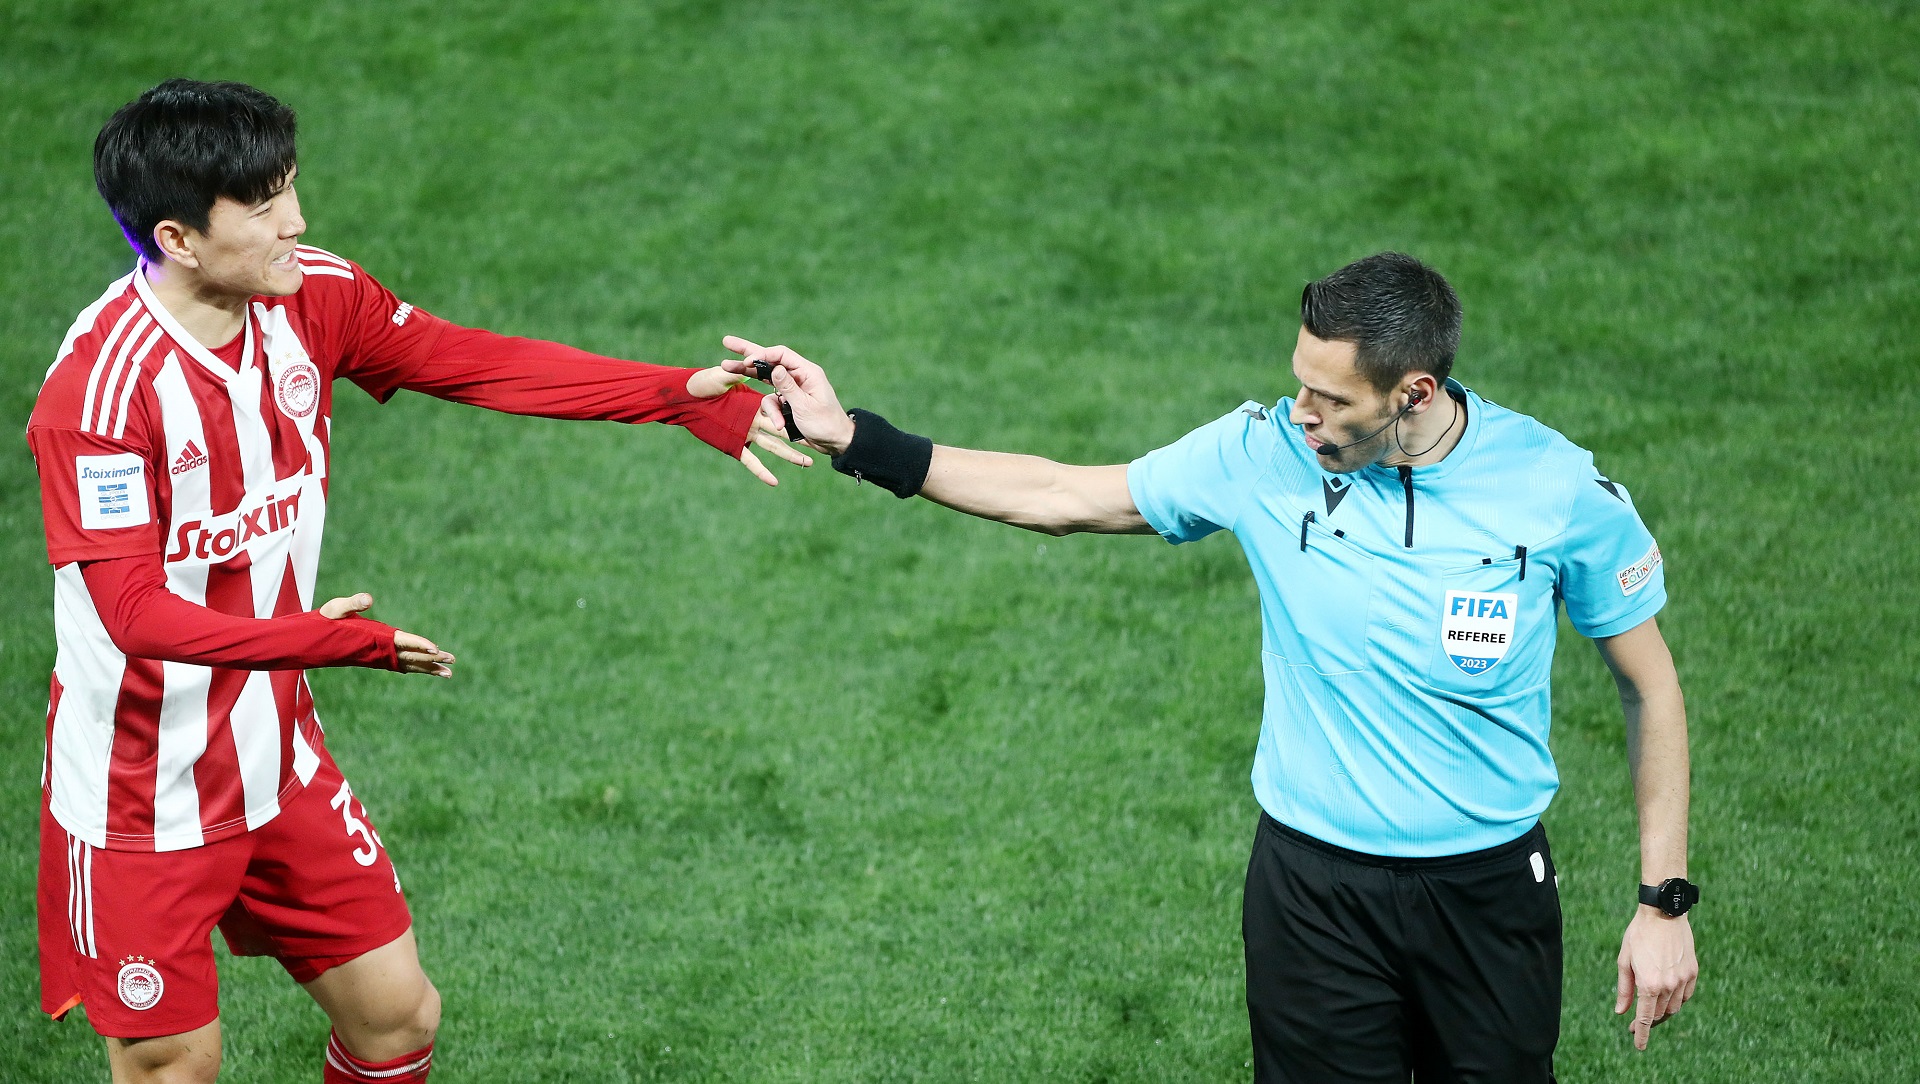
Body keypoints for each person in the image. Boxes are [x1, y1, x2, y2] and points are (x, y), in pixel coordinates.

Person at [726, 251, 1699, 1081]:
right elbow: (1061, 495)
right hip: (1313, 894)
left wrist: (1663, 901)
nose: (1302, 412)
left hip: (1485, 895)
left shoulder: (1554, 488)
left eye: (1331, 398)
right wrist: (856, 438)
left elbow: (1649, 685)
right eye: (1300, 382)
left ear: (1414, 393)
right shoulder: (1261, 453)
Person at [29, 79, 808, 1084]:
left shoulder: (313, 295)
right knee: (176, 1065)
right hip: (138, 795)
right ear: (177, 238)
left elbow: (466, 360)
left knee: (396, 1017)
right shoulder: (98, 397)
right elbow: (135, 616)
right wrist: (326, 641)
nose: (295, 221)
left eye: (290, 187)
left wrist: (673, 396)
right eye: (261, 206)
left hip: (275, 751)